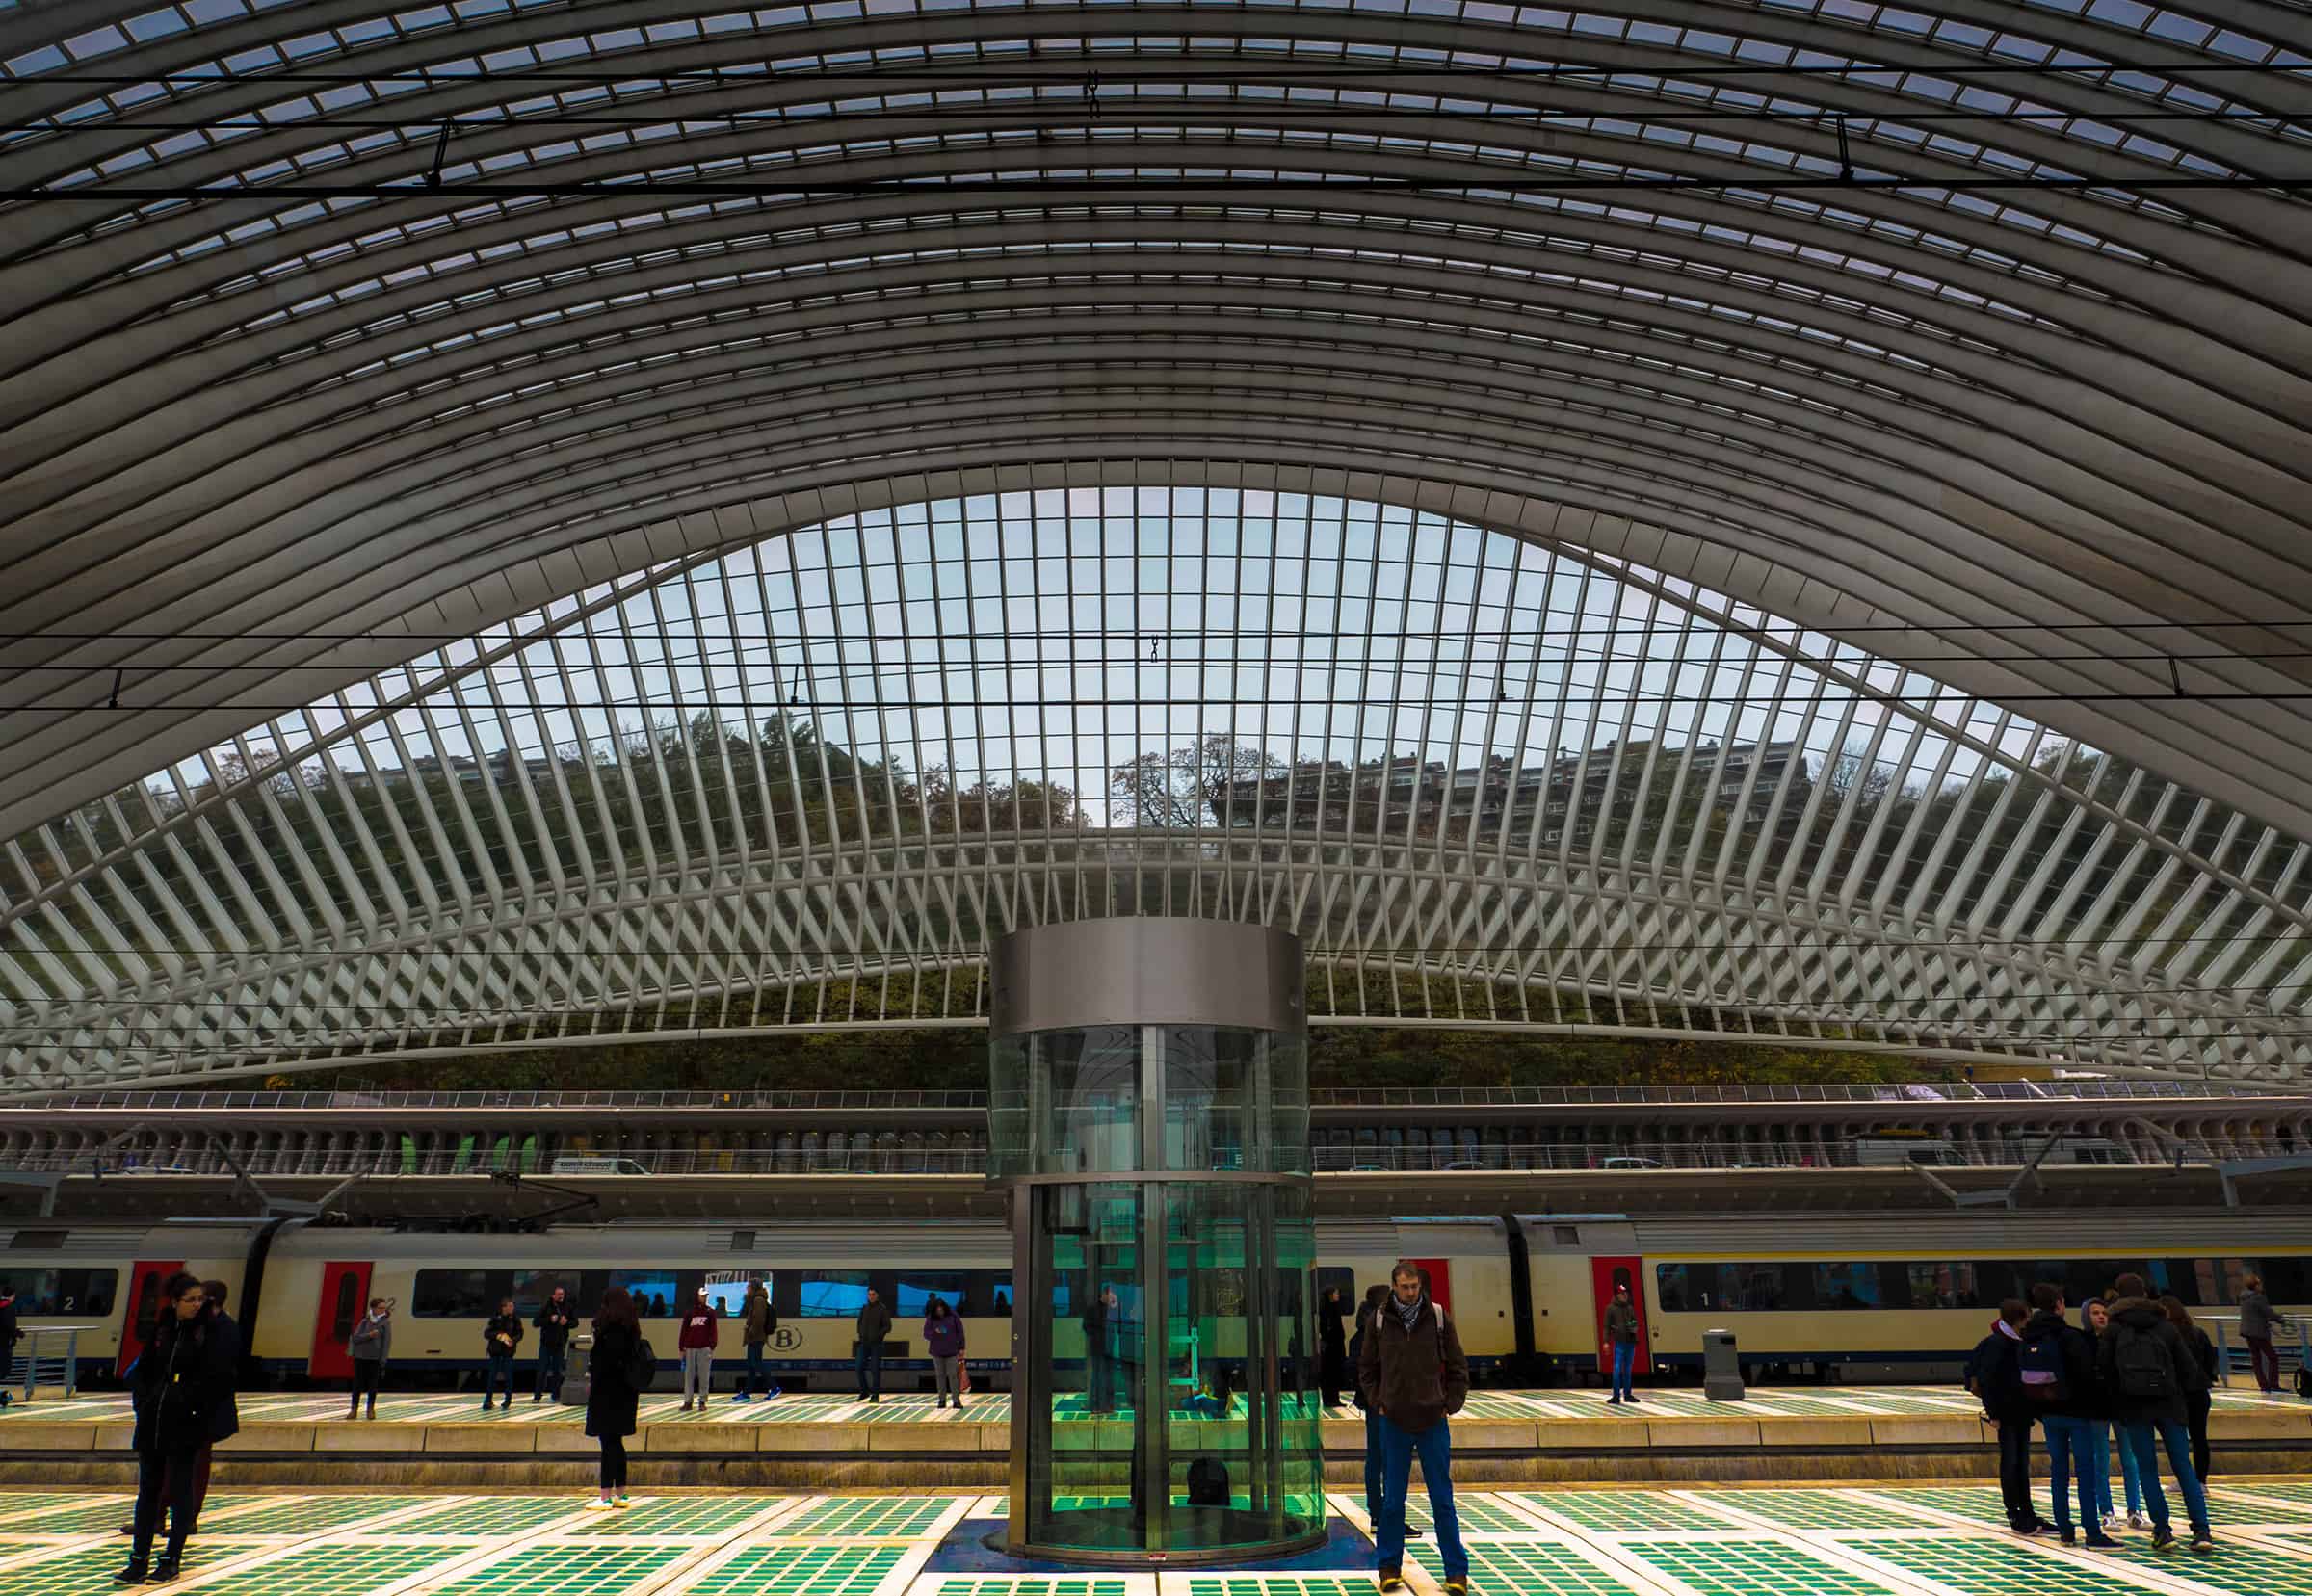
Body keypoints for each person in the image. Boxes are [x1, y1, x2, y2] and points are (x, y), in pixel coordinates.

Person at [1358, 1260, 1470, 1596]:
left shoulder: (1436, 1317)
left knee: (1442, 1499)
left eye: (1415, 1287)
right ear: (1394, 1286)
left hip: (1432, 1420)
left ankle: (1456, 1573)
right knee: (1393, 1501)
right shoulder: (1378, 1320)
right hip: (1394, 1421)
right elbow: (1366, 1367)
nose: (1411, 1293)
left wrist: (1450, 1402)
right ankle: (1389, 1568)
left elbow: (1457, 1363)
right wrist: (1379, 1401)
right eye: (1405, 1287)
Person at [118, 1273, 231, 1585]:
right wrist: (145, 1399)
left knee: (181, 1491)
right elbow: (143, 1368)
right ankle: (137, 1560)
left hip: (186, 1425)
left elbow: (217, 1377)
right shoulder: (163, 1329)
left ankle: (170, 1560)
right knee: (148, 1493)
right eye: (190, 1300)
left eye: (200, 1299)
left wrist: (190, 1404)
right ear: (174, 1302)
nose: (197, 1305)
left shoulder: (209, 1332)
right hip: (153, 1422)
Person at [2100, 1273, 2213, 1554]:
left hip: (2134, 1407)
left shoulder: (2114, 1330)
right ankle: (2201, 1530)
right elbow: (2189, 1370)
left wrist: (2119, 1403)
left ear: (2119, 1296)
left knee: (2147, 1469)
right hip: (2170, 1405)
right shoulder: (2165, 1327)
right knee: (2183, 1467)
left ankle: (2163, 1531)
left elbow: (2104, 1371)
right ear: (2145, 1294)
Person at [2020, 1284, 2118, 1548]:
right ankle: (2092, 1532)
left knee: (2059, 1473)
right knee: (2086, 1473)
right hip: (2077, 1413)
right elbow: (2087, 1376)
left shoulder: (2029, 1337)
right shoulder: (2071, 1337)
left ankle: (2065, 1529)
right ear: (2060, 1304)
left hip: (2049, 1415)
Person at [1967, 1297, 2046, 1537]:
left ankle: (2027, 1511)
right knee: (2011, 1462)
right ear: (2020, 1318)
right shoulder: (1998, 1344)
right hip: (2007, 1413)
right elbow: (1988, 1381)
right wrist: (1993, 1413)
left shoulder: (2015, 1341)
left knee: (2021, 1462)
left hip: (2021, 1412)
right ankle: (2014, 1512)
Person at [1347, 1284, 1419, 1538]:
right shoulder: (1379, 1329)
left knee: (1375, 1458)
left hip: (1373, 1404)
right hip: (1385, 1405)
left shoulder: (1361, 1331)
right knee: (1391, 1461)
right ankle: (1389, 1517)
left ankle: (1378, 1514)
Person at [2084, 1297, 2144, 1531]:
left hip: (2121, 1406)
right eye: (2095, 1313)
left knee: (2130, 1459)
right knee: (2102, 1460)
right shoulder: (2085, 1343)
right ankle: (2106, 1511)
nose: (2101, 1317)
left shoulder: (2121, 1340)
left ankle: (2135, 1510)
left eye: (2104, 1313)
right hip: (2098, 1407)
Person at [586, 1286, 643, 1509]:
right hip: (626, 1392)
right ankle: (621, 1494)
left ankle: (604, 1496)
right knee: (617, 1443)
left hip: (606, 1392)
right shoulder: (632, 1327)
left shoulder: (609, 1329)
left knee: (607, 1443)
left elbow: (601, 1362)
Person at [2164, 1295, 2218, 1484]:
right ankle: (2201, 1481)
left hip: (2178, 1393)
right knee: (2199, 1438)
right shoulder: (2198, 1333)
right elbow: (2210, 1360)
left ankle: (2184, 1478)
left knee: (2177, 1440)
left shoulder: (2167, 1336)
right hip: (2200, 1392)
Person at [2239, 1273, 2288, 1395]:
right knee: (2273, 1357)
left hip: (2247, 1332)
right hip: (2258, 1332)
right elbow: (2268, 1312)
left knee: (2256, 1359)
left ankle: (2264, 1385)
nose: (2261, 1286)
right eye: (2259, 1284)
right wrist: (2280, 1319)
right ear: (2256, 1285)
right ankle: (2273, 1384)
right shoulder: (2258, 1297)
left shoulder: (2243, 1297)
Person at [347, 1297, 391, 1420]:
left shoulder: (385, 1323)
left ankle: (370, 1409)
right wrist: (369, 1335)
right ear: (373, 1309)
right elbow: (355, 1338)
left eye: (384, 1308)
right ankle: (353, 1409)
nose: (383, 1310)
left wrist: (383, 1359)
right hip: (360, 1357)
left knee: (373, 1384)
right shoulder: (364, 1322)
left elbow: (386, 1343)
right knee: (357, 1384)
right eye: (380, 1308)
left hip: (375, 1359)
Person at [676, 1286, 718, 1411]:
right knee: (689, 1375)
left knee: (704, 1375)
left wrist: (711, 1346)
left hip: (704, 1348)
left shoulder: (710, 1312)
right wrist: (681, 1347)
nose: (704, 1298)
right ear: (697, 1296)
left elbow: (713, 1330)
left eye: (705, 1296)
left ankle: (702, 1401)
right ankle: (688, 1402)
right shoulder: (690, 1313)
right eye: (702, 1296)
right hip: (689, 1348)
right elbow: (684, 1330)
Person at [738, 1281, 778, 1402]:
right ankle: (746, 1393)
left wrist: (751, 1331)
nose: (747, 1288)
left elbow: (759, 1319)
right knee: (752, 1365)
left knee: (757, 1363)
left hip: (756, 1337)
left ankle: (774, 1387)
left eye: (749, 1286)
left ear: (754, 1288)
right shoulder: (756, 1299)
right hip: (755, 1337)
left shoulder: (758, 1300)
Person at [535, 1286, 576, 1403]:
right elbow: (536, 1322)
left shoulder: (568, 1307)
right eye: (558, 1294)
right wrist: (549, 1319)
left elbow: (575, 1322)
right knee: (542, 1370)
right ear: (553, 1295)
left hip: (560, 1343)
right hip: (546, 1344)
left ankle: (556, 1395)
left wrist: (567, 1322)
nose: (560, 1296)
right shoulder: (546, 1307)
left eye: (562, 1294)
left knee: (557, 1370)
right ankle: (537, 1396)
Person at [925, 1295, 966, 1409]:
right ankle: (942, 1400)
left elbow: (960, 1332)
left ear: (945, 1308)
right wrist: (934, 1331)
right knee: (940, 1376)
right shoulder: (931, 1318)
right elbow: (926, 1334)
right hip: (936, 1352)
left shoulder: (953, 1316)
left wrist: (962, 1347)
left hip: (952, 1351)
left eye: (941, 1309)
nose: (939, 1311)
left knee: (953, 1376)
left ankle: (956, 1401)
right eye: (937, 1309)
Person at [482, 1297, 523, 1409]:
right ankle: (488, 1401)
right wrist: (498, 1335)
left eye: (512, 1306)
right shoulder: (495, 1318)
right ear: (503, 1307)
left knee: (508, 1376)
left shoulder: (515, 1319)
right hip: (495, 1351)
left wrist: (513, 1341)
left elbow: (520, 1333)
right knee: (492, 1377)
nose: (512, 1308)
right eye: (510, 1306)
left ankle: (507, 1400)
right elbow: (486, 1333)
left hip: (508, 1352)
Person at [1604, 1282, 1640, 1406]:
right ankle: (1616, 1395)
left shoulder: (1630, 1308)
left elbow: (1634, 1321)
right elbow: (1606, 1327)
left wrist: (1634, 1327)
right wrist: (1606, 1342)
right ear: (1617, 1295)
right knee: (1617, 1368)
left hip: (1630, 1341)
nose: (1625, 1295)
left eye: (1626, 1293)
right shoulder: (1611, 1308)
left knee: (1628, 1369)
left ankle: (1628, 1394)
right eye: (1623, 1293)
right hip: (1619, 1342)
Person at [1084, 1286, 1117, 1413]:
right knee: (1098, 1377)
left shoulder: (1111, 1309)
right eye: (1110, 1295)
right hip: (1098, 1348)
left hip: (1109, 1348)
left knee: (1108, 1377)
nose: (1111, 1298)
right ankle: (1096, 1405)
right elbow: (1086, 1326)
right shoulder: (1093, 1309)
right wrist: (1098, 1334)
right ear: (1104, 1294)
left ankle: (1108, 1404)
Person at [854, 1286, 891, 1403]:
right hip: (864, 1343)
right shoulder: (864, 1308)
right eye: (869, 1294)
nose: (871, 1296)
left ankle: (875, 1395)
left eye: (873, 1294)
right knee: (859, 1367)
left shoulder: (882, 1309)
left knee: (874, 1369)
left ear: (877, 1295)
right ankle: (864, 1391)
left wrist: (878, 1335)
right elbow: (859, 1323)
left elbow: (888, 1326)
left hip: (877, 1344)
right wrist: (860, 1334)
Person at [1319, 1286, 1350, 1409]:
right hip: (1333, 1346)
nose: (1338, 1296)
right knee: (1332, 1373)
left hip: (1332, 1346)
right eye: (1336, 1293)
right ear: (1330, 1295)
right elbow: (1329, 1328)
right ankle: (1332, 1399)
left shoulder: (1326, 1309)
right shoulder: (1331, 1309)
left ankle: (1332, 1399)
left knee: (1331, 1374)